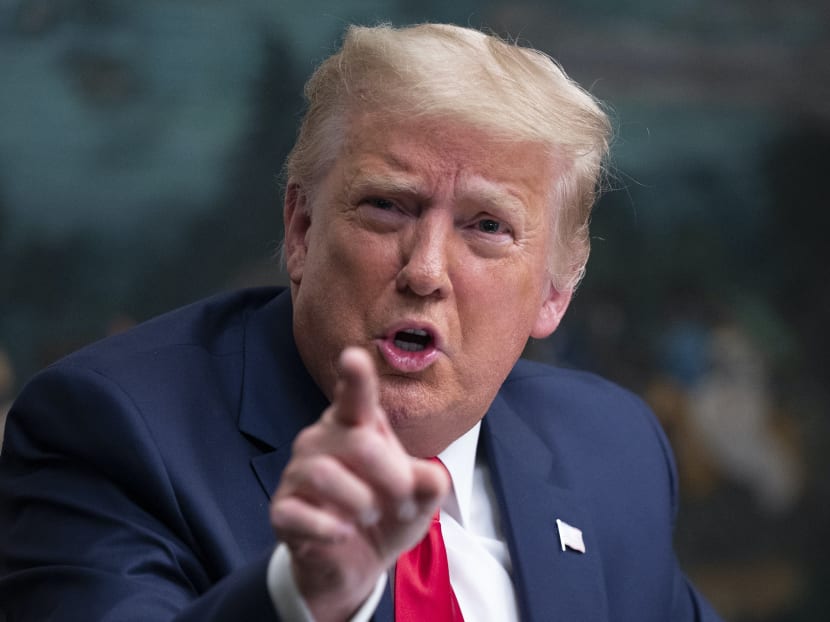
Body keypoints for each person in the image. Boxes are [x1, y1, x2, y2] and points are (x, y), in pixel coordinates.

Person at [0, 23, 722, 622]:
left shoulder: (610, 449)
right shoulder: (111, 431)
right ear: (301, 229)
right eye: (388, 206)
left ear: (555, 294)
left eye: (487, 226)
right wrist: (303, 599)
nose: (426, 270)